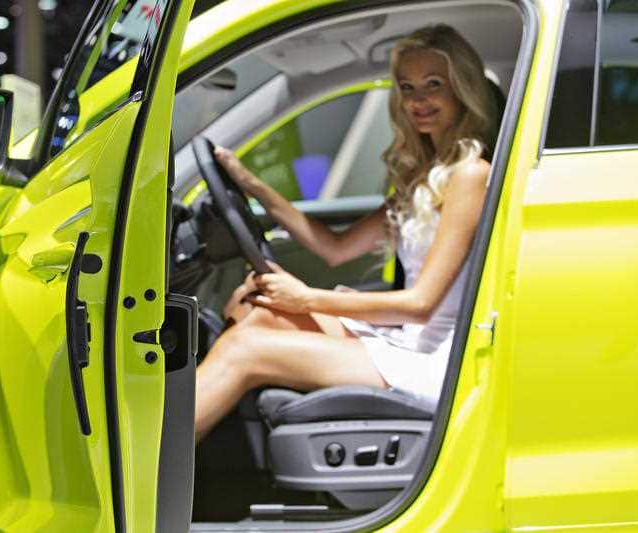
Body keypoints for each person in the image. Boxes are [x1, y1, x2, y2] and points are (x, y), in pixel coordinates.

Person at [195, 24, 498, 441]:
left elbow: (420, 305)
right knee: (260, 314)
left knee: (243, 348)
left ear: (461, 90)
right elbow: (334, 248)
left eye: (434, 84)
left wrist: (307, 298)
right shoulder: (426, 177)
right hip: (406, 340)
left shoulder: (469, 175)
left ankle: (145, 468)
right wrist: (250, 185)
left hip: (436, 360)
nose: (418, 100)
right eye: (407, 87)